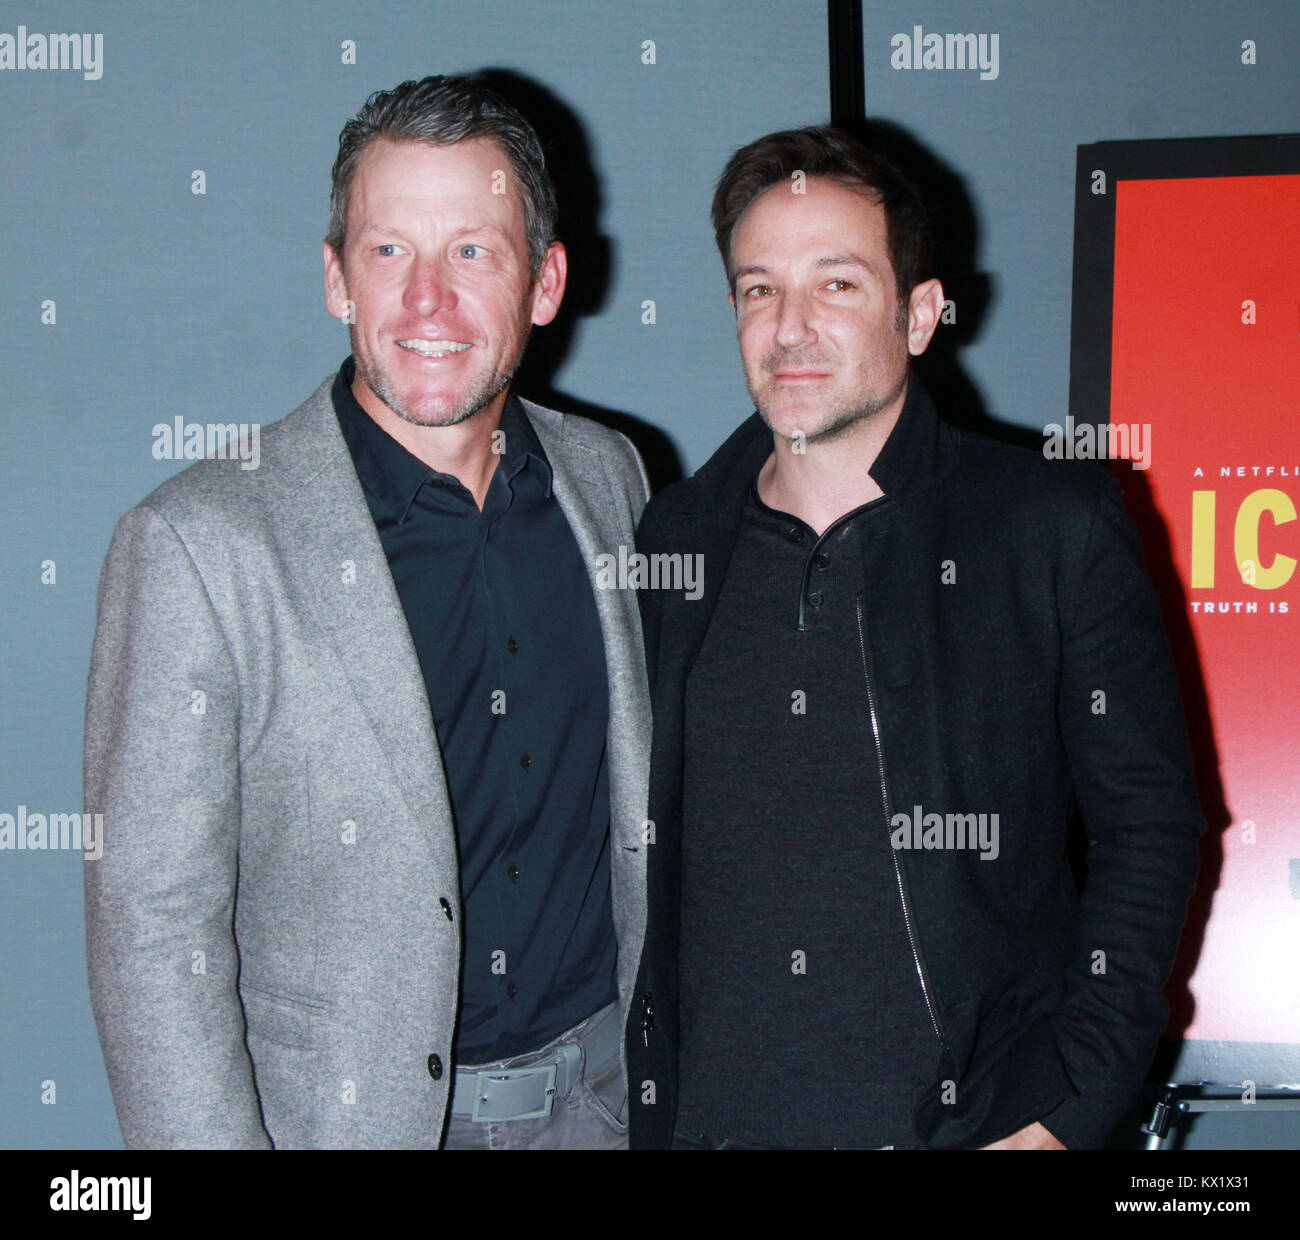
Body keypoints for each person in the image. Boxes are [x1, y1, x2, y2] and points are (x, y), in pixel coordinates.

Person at [83, 75, 651, 1150]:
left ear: (546, 281)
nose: (426, 300)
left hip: (608, 1111)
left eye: (473, 252)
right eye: (389, 251)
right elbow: (150, 936)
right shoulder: (198, 544)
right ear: (337, 278)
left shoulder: (611, 477)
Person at [626, 125, 1203, 1150]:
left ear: (921, 312)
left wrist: (1066, 1111)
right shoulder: (674, 538)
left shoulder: (1047, 526)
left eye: (836, 285)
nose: (790, 326)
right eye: (759, 289)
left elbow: (1149, 825)